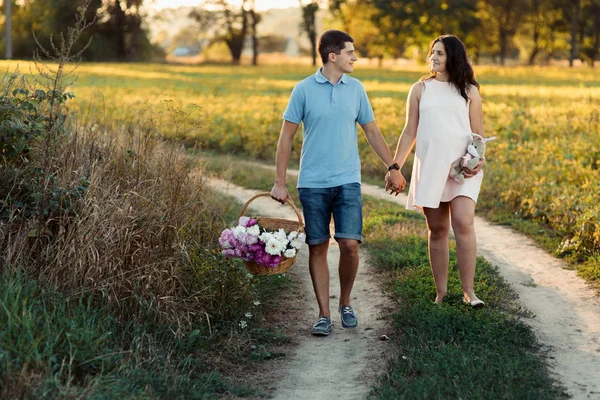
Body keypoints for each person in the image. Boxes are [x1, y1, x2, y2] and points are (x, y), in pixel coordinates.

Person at [270, 29, 405, 336]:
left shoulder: (356, 89)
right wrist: (280, 182)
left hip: (347, 181)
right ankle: (323, 314)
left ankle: (345, 302)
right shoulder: (303, 89)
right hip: (312, 183)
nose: (355, 57)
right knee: (317, 246)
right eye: (350, 52)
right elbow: (286, 138)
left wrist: (393, 166)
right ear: (333, 56)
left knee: (350, 244)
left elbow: (371, 131)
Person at [386, 35, 486, 308]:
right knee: (438, 229)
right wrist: (395, 166)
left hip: (462, 168)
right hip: (431, 166)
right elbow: (410, 132)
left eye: (440, 53)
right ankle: (441, 293)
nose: (434, 57)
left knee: (464, 223)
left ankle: (469, 292)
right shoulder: (420, 89)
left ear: (453, 57)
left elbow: (478, 135)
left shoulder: (469, 91)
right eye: (432, 52)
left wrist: (478, 160)